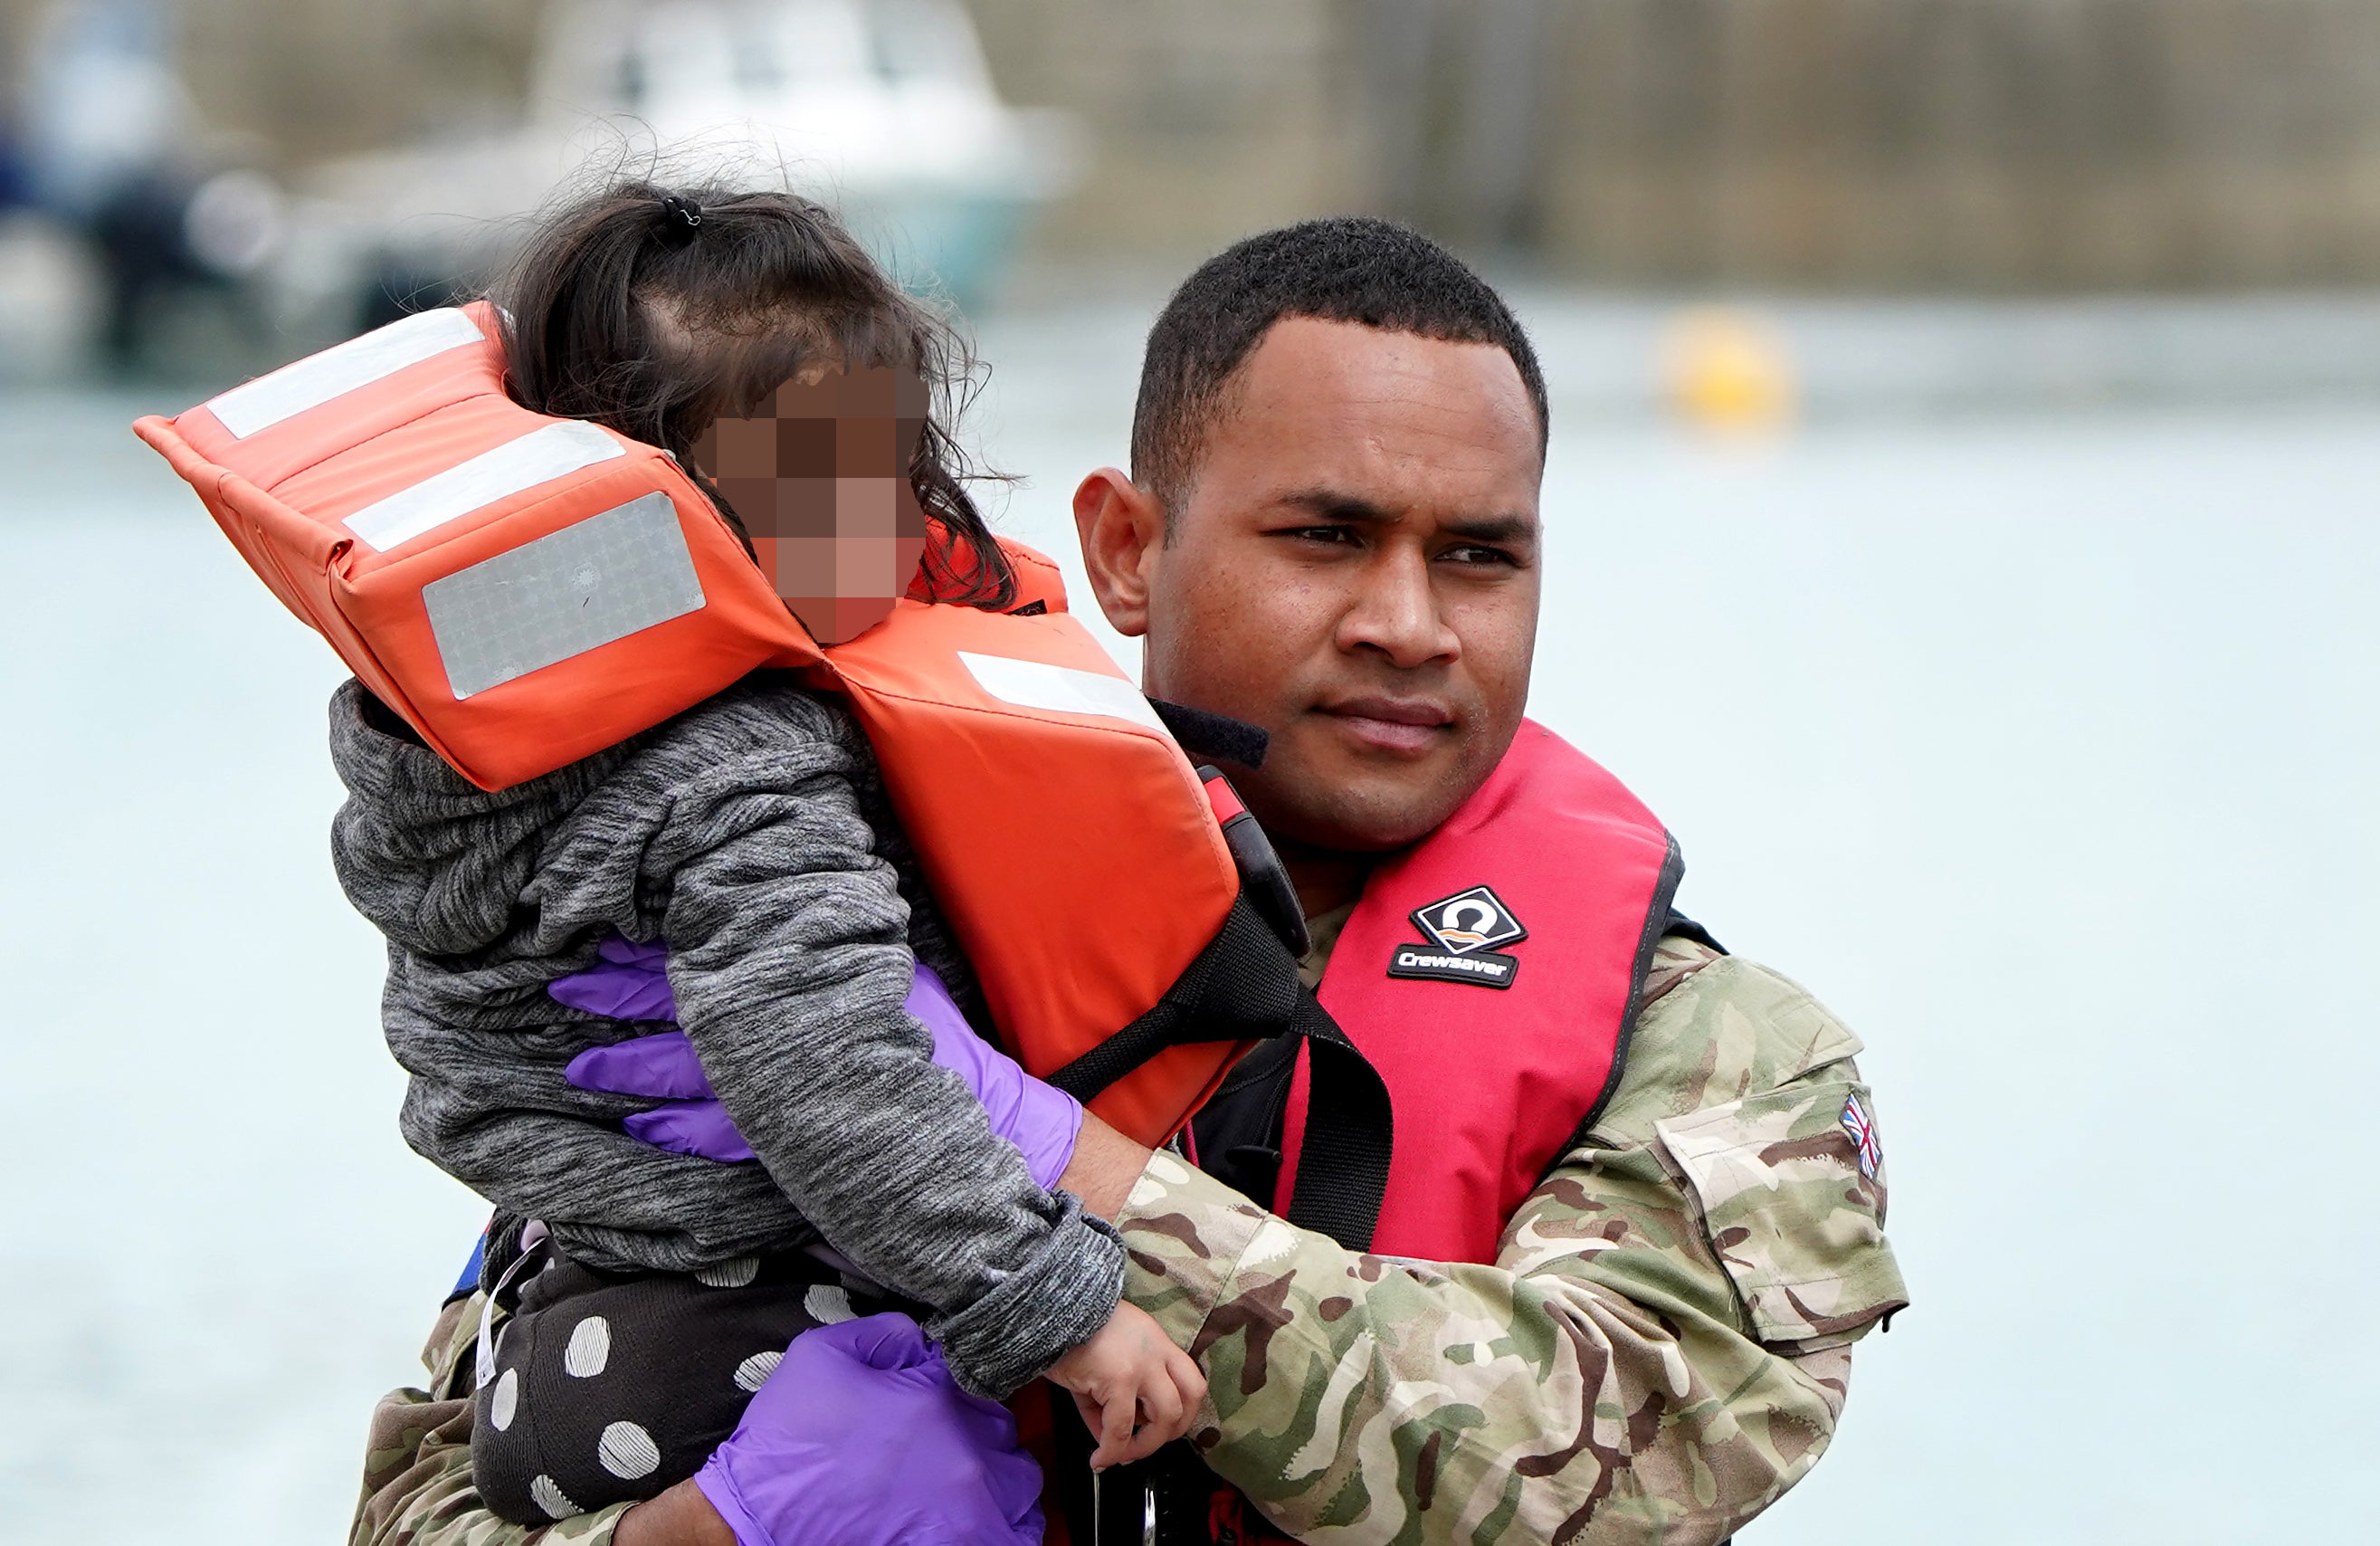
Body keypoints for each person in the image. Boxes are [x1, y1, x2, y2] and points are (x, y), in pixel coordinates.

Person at [350, 217, 1907, 1546]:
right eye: (1325, 536)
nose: (1407, 622)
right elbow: (431, 1477)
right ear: (1123, 551)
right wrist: (713, 1531)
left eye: (1480, 558)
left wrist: (1030, 1144)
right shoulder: (803, 922)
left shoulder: (1723, 1055)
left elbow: (1575, 1470)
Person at [323, 180, 1206, 1535]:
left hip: (557, 1342)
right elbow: (823, 1063)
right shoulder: (736, 766)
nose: (896, 530)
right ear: (625, 513)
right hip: (729, 1360)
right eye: (820, 485)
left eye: (895, 467)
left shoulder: (453, 736)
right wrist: (1052, 1310)